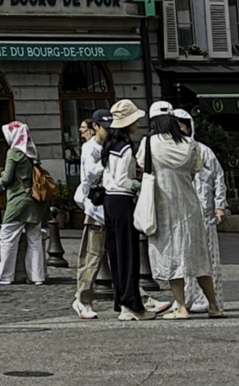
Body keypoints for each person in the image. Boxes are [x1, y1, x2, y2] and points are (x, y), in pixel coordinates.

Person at [142, 109, 224, 319]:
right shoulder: (191, 145)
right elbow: (195, 171)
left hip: (164, 206)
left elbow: (142, 165)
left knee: (171, 258)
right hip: (190, 206)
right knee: (199, 258)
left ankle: (181, 307)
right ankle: (213, 305)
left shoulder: (149, 143)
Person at [0, 120, 48, 286]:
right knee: (34, 239)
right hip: (35, 200)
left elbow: (7, 178)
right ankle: (37, 277)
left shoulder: (13, 153)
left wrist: (1, 179)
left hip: (18, 200)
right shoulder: (33, 151)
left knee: (7, 235)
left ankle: (5, 275)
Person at [98, 100, 145, 319]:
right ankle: (131, 302)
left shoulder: (110, 145)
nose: (138, 124)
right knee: (128, 252)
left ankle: (121, 299)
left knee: (116, 252)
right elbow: (122, 180)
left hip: (109, 199)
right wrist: (138, 185)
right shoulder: (126, 147)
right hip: (122, 199)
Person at [70, 119, 109, 320]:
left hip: (111, 207)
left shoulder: (111, 145)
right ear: (96, 127)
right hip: (96, 209)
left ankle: (138, 298)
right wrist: (110, 164)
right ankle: (82, 299)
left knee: (122, 256)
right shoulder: (89, 148)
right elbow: (89, 175)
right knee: (92, 257)